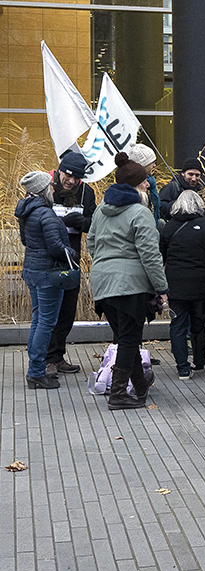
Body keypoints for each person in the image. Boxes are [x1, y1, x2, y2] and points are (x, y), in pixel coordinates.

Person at [88, 152, 168, 410]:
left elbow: (91, 242)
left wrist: (106, 263)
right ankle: (119, 393)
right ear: (135, 186)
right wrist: (162, 287)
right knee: (129, 337)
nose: (148, 185)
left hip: (102, 283)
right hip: (131, 285)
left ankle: (141, 386)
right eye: (145, 182)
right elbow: (150, 254)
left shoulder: (101, 210)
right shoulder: (139, 212)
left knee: (125, 337)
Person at [16, 171, 71, 390]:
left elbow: (24, 240)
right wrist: (70, 253)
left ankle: (35, 368)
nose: (53, 190)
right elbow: (56, 247)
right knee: (46, 322)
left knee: (38, 320)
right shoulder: (46, 215)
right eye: (50, 187)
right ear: (43, 190)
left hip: (32, 270)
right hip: (48, 274)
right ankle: (37, 372)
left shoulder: (26, 212)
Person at [159, 189, 205, 379]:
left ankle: (183, 367)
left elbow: (161, 257)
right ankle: (200, 361)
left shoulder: (168, 228)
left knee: (177, 324)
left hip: (175, 285)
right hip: (203, 284)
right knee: (200, 322)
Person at [46, 150, 95, 375]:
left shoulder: (86, 193)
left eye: (77, 178)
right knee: (48, 312)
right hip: (47, 260)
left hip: (72, 260)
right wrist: (56, 222)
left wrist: (83, 222)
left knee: (67, 311)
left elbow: (95, 224)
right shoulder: (46, 188)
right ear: (60, 171)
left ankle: (58, 356)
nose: (72, 181)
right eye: (68, 175)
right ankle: (46, 359)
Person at [127, 142, 161, 223]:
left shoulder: (150, 183)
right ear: (143, 164)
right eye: (152, 162)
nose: (154, 165)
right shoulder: (133, 188)